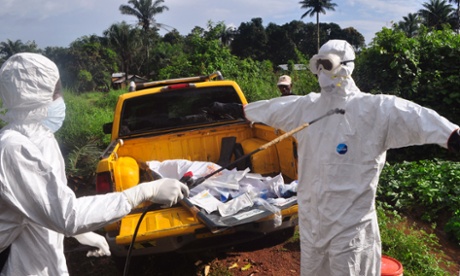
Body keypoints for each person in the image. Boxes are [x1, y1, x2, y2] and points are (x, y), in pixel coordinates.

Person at [243, 40, 460, 275]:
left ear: (346, 66)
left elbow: (416, 116)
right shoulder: (308, 107)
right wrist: (239, 111)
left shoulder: (376, 109)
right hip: (313, 226)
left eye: (327, 65)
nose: (322, 73)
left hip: (351, 232)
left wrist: (451, 135)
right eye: (318, 66)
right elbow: (273, 108)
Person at [0, 53, 189, 276]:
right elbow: (66, 215)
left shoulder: (42, 139)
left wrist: (78, 233)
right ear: (33, 97)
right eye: (55, 92)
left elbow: (49, 204)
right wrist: (146, 191)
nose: (60, 99)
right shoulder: (12, 148)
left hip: (44, 260)